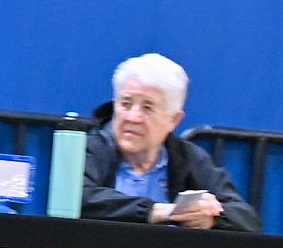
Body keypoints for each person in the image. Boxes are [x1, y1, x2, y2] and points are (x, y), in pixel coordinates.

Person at [81, 53, 259, 232]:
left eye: (147, 108)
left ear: (173, 119)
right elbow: (78, 198)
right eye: (125, 103)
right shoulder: (90, 148)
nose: (133, 117)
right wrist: (154, 211)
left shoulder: (189, 158)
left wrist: (212, 217)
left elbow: (247, 219)